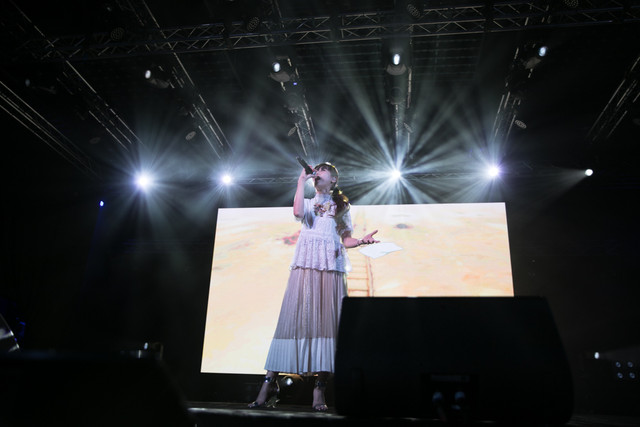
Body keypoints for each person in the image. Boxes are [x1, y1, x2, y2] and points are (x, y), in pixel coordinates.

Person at [248, 162, 379, 412]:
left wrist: (362, 241)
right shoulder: (308, 203)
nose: (317, 172)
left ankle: (319, 388)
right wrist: (301, 181)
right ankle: (268, 383)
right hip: (306, 265)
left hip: (330, 267)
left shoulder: (341, 206)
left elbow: (346, 238)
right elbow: (297, 212)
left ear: (334, 179)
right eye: (315, 170)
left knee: (327, 323)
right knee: (292, 319)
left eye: (322, 169)